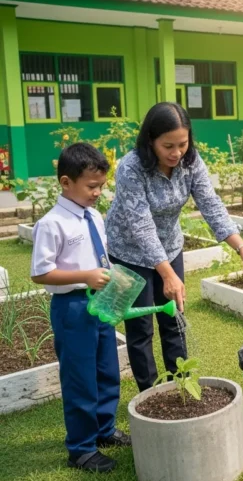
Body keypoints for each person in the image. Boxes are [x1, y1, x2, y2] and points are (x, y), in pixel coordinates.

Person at [105, 102, 243, 392]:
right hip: (129, 252)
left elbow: (211, 204)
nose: (176, 153)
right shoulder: (131, 168)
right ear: (150, 140)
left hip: (169, 247)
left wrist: (242, 248)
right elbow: (141, 226)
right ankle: (150, 394)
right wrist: (167, 274)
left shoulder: (191, 162)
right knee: (141, 327)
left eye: (183, 144)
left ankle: (181, 386)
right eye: (168, 146)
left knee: (174, 317)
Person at [30, 143, 129, 472]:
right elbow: (40, 273)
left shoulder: (94, 216)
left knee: (106, 371)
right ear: (66, 182)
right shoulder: (52, 223)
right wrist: (84, 276)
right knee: (80, 378)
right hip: (72, 307)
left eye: (101, 185)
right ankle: (82, 448)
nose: (98, 192)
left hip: (100, 303)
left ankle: (104, 429)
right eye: (91, 186)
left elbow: (100, 256)